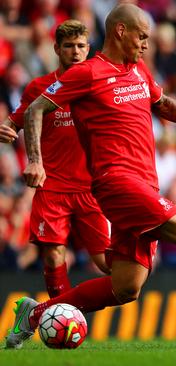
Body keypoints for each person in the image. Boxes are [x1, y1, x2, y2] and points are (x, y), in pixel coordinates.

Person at [6, 4, 176, 350]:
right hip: (116, 181)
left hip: (143, 182)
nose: (145, 44)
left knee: (127, 286)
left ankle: (35, 315)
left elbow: (162, 102)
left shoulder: (137, 70)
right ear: (120, 31)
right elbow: (36, 109)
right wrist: (36, 161)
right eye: (142, 36)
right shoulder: (87, 73)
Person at [0, 20, 111, 298]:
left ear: (89, 50)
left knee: (107, 264)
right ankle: (61, 316)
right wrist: (6, 129)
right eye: (69, 46)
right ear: (57, 49)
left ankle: (46, 313)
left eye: (81, 46)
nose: (75, 52)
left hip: (91, 188)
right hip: (53, 187)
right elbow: (15, 121)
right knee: (53, 255)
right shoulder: (40, 87)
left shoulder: (98, 87)